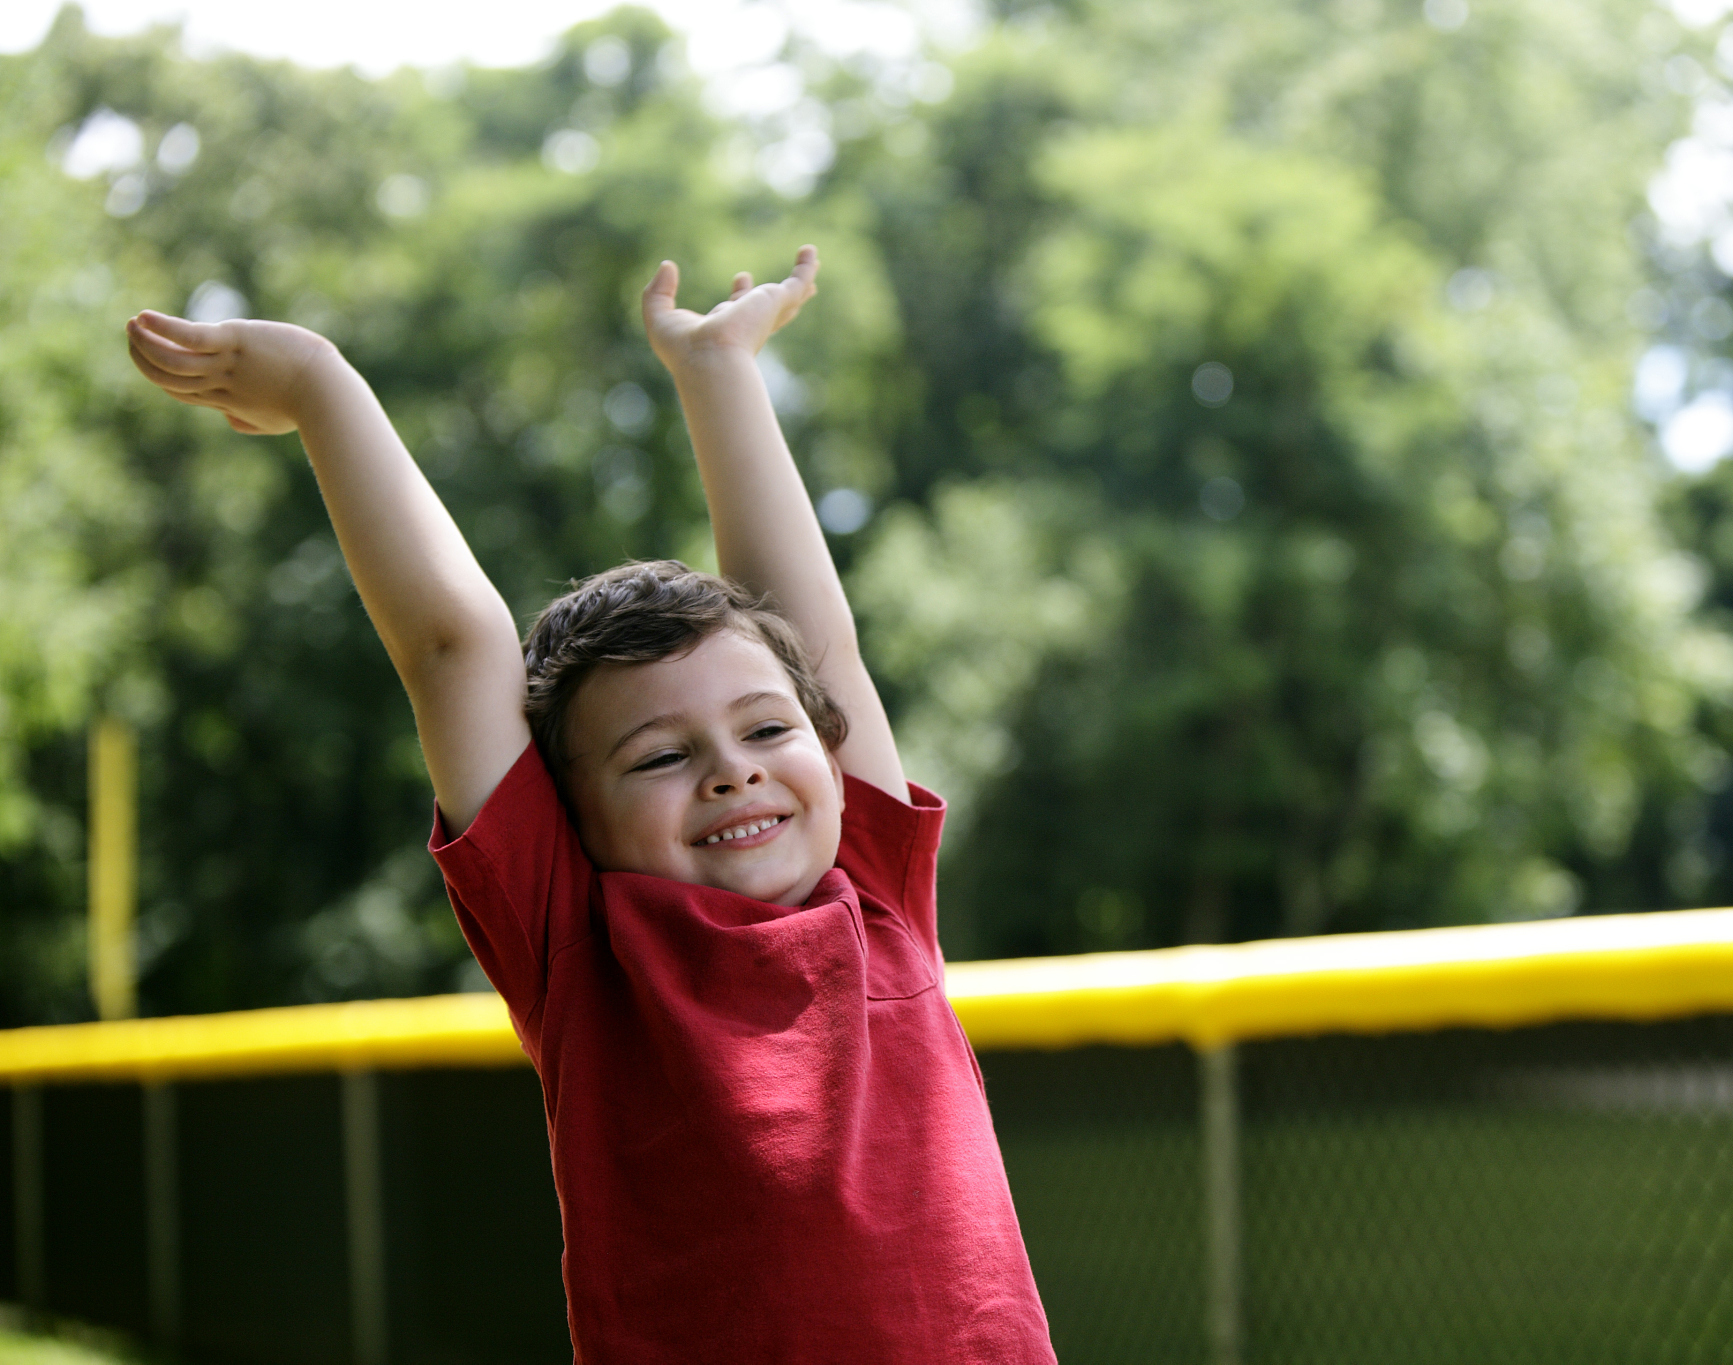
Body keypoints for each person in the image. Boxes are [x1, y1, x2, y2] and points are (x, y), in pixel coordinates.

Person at [125, 246, 1058, 1363]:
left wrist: (718, 367)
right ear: (570, 817)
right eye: (660, 758)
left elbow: (818, 639)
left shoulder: (873, 887)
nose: (734, 770)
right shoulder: (579, 943)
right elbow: (447, 645)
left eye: (767, 729)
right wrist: (326, 389)